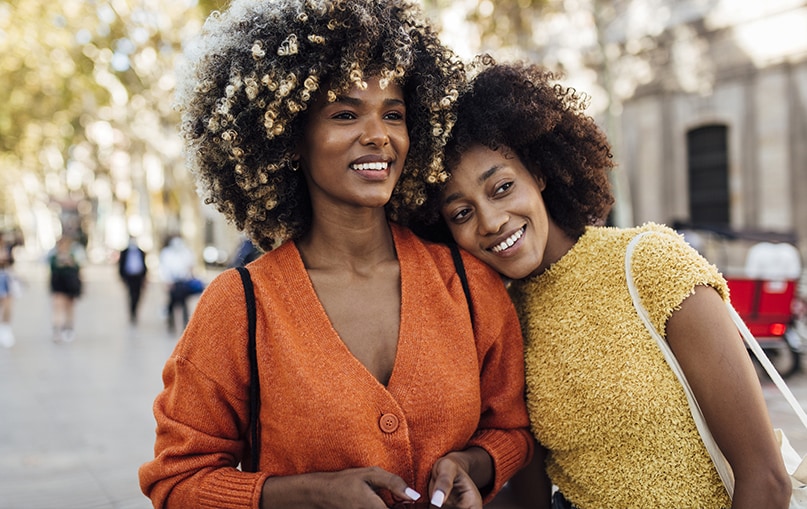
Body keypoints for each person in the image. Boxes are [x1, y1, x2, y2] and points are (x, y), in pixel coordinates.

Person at [138, 3, 531, 509]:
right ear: (289, 138)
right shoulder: (240, 307)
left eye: (393, 114)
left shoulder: (468, 283)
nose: (378, 135)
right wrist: (306, 493)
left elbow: (512, 429)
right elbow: (176, 481)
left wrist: (472, 465)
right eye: (345, 114)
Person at [414, 59, 791, 509]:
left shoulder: (650, 263)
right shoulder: (502, 316)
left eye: (501, 188)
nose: (492, 221)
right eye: (461, 213)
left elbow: (766, 480)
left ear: (538, 172)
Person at [48, 235, 84, 343]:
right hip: (58, 286)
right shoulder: (54, 257)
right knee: (57, 307)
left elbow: (78, 268)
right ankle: (57, 329)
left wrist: (70, 262)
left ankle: (68, 328)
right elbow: (52, 269)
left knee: (69, 308)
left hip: (70, 286)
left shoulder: (73, 256)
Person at [158, 234, 197, 333]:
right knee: (172, 303)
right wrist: (167, 281)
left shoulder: (186, 251)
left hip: (183, 282)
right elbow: (163, 268)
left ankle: (185, 325)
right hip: (172, 282)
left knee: (184, 304)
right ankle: (171, 324)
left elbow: (191, 265)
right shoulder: (166, 253)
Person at [118, 236, 148, 325]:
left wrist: (144, 277)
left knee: (138, 295)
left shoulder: (141, 252)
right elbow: (121, 265)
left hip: (138, 277)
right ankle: (132, 312)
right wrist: (122, 278)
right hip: (129, 277)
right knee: (131, 295)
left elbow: (144, 265)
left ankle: (135, 310)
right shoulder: (124, 252)